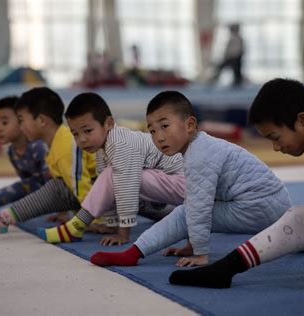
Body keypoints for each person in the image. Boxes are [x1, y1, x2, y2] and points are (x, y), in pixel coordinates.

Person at [168, 78, 304, 290]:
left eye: (275, 137)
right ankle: (225, 269)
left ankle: (225, 269)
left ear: (303, 121)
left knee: (299, 218)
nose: (275, 147)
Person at [89, 91, 292, 267]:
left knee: (187, 212)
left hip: (262, 205)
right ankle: (135, 253)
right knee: (188, 209)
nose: (158, 137)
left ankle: (132, 254)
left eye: (165, 126)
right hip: (272, 203)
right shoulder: (199, 147)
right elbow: (199, 198)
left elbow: (199, 208)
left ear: (190, 125)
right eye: (152, 131)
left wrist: (200, 253)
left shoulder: (199, 154)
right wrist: (191, 244)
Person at [37, 92, 185, 245]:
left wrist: (123, 234)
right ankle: (77, 225)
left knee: (117, 178)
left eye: (88, 131)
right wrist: (111, 223)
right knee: (111, 177)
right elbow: (109, 191)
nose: (82, 139)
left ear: (108, 123)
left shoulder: (119, 145)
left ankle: (76, 226)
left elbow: (125, 190)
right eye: (75, 134)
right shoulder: (103, 149)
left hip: (183, 183)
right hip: (169, 185)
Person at [0, 87, 96, 235]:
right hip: (94, 197)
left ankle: (3, 219)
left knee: (56, 187)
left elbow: (81, 185)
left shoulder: (64, 145)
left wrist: (95, 221)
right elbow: (71, 187)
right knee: (56, 186)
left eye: (21, 121)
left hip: (107, 199)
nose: (21, 127)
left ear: (41, 120)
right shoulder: (53, 146)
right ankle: (3, 219)